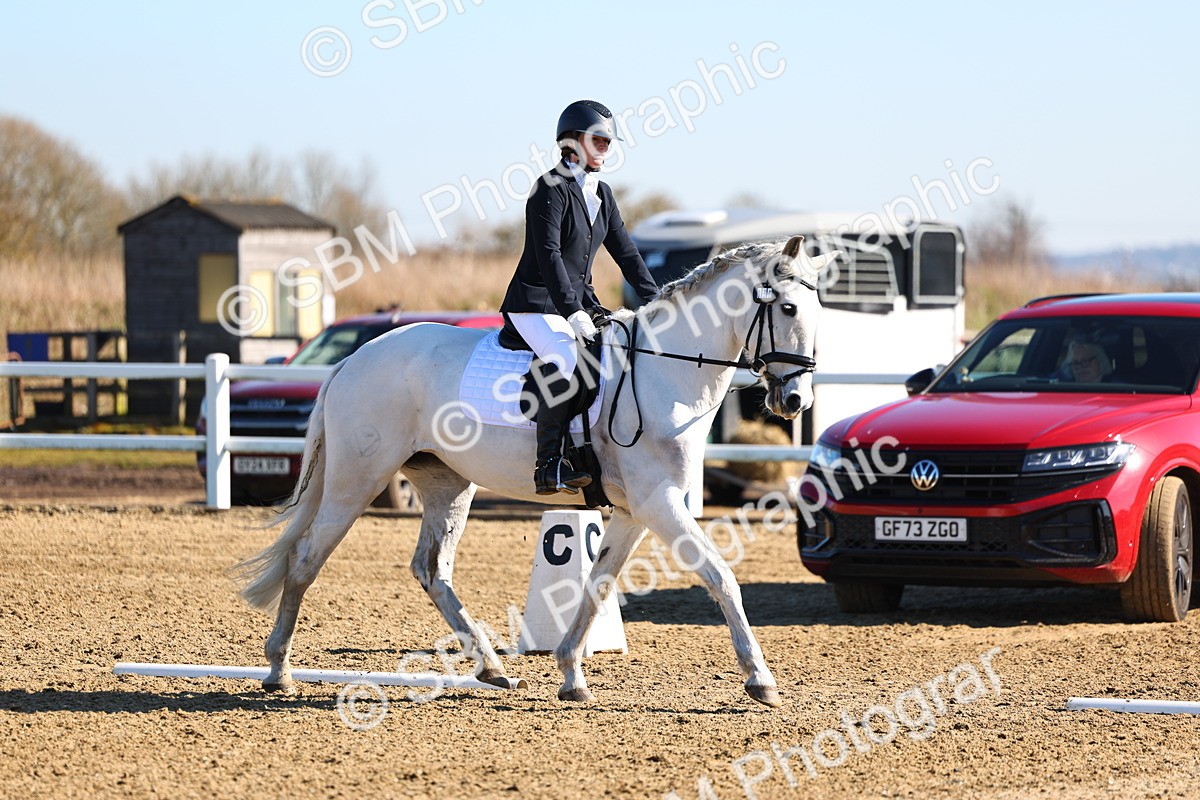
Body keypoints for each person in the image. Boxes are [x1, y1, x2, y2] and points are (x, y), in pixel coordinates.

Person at [500, 100, 659, 495]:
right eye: (599, 140)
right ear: (572, 141)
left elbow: (627, 253)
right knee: (565, 356)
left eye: (609, 141)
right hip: (535, 303)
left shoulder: (602, 193)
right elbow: (549, 255)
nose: (607, 147)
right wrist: (572, 311)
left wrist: (659, 300)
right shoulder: (548, 188)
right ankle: (549, 464)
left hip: (579, 303)